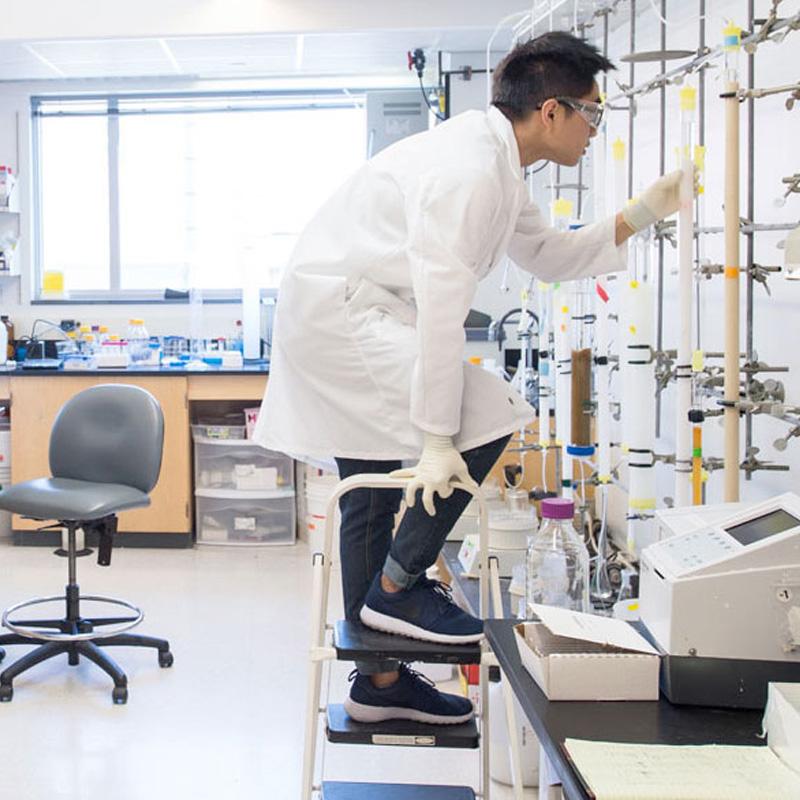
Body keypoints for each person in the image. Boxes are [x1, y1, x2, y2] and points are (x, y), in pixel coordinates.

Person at [252, 31, 687, 725]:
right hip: (346, 319)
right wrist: (434, 436)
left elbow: (546, 255)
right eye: (592, 114)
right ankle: (398, 589)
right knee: (489, 412)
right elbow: (444, 308)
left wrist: (642, 213)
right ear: (551, 110)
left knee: (369, 487)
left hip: (357, 315)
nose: (594, 131)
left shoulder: (500, 165)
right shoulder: (472, 170)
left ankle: (379, 686)